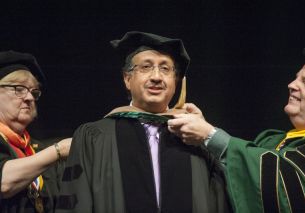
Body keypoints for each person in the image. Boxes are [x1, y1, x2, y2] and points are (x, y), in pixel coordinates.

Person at [56, 31, 230, 213]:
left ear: (176, 81)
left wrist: (209, 135)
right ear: (127, 79)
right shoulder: (93, 136)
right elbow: (76, 203)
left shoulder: (196, 138)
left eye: (165, 69)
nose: (156, 76)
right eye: (146, 67)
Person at [167, 47, 305, 212]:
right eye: (296, 78)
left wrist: (210, 135)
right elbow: (240, 183)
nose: (291, 85)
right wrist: (202, 134)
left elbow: (283, 186)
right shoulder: (271, 141)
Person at [0, 50, 71, 213]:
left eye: (34, 92)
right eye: (19, 89)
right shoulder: (52, 153)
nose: (30, 98)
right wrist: (58, 151)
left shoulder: (36, 149)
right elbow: (4, 182)